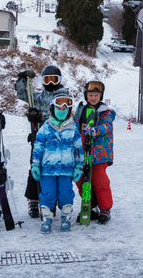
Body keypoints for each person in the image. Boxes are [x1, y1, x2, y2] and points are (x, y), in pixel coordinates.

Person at [30, 88, 84, 233]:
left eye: (66, 106)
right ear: (53, 108)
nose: (62, 109)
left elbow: (78, 149)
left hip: (66, 170)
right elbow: (38, 148)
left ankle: (66, 217)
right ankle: (47, 218)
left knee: (66, 193)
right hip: (47, 170)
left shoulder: (73, 129)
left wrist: (79, 166)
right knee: (48, 193)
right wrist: (35, 165)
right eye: (59, 106)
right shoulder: (45, 128)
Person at [15, 65, 62, 218]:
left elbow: (60, 115)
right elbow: (22, 94)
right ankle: (33, 199)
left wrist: (40, 116)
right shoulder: (39, 97)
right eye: (47, 79)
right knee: (35, 168)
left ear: (59, 81)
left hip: (57, 140)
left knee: (54, 169)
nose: (50, 83)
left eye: (54, 80)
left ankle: (51, 200)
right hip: (39, 139)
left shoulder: (62, 96)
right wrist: (22, 79)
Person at [74, 80, 115, 224]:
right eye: (90, 95)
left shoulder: (105, 111)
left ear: (101, 96)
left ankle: (105, 208)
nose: (93, 98)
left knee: (100, 180)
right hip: (82, 152)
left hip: (99, 153)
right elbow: (74, 125)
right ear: (86, 95)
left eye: (96, 95)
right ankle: (89, 206)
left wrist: (95, 130)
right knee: (81, 180)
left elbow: (107, 126)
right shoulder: (81, 110)